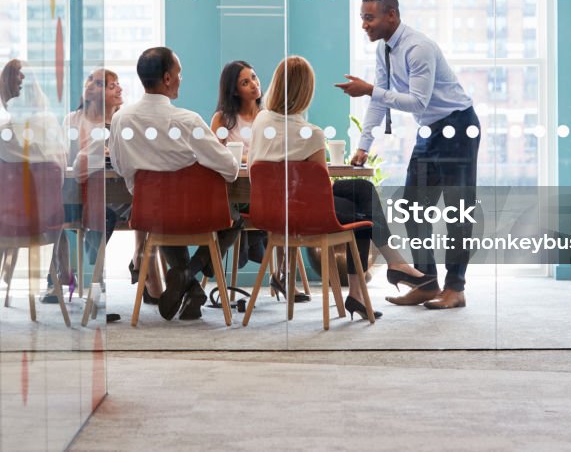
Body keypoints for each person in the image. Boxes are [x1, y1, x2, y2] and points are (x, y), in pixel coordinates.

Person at [336, 0, 480, 310]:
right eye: (362, 18)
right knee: (413, 207)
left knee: (457, 211)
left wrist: (370, 90)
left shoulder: (419, 48)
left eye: (369, 18)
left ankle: (455, 288)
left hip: (457, 126)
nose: (364, 25)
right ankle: (426, 282)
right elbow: (378, 99)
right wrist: (363, 145)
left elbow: (417, 101)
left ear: (392, 15)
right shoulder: (384, 51)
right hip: (429, 129)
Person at [108, 47, 239, 321]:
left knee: (163, 217)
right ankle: (189, 275)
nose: (181, 79)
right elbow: (230, 168)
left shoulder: (121, 119)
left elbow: (120, 168)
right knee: (236, 216)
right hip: (194, 215)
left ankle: (189, 286)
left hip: (151, 215)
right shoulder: (187, 121)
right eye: (179, 74)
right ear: (167, 78)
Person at [249, 55, 384, 322]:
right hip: (306, 214)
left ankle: (387, 268)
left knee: (361, 189)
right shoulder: (311, 134)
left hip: (270, 210)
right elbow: (321, 185)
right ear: (306, 91)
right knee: (363, 216)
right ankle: (360, 291)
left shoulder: (261, 121)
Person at [71, 68, 163, 305]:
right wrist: (99, 152)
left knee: (151, 206)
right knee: (144, 207)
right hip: (93, 196)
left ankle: (142, 262)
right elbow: (71, 164)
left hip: (125, 194)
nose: (120, 89)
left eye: (118, 84)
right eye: (112, 86)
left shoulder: (126, 124)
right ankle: (144, 268)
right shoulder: (76, 121)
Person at [0, 60, 69, 302]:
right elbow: (61, 175)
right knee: (58, 209)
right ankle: (60, 280)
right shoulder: (51, 126)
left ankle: (7, 279)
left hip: (7, 220)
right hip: (47, 220)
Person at [210, 60, 266, 269]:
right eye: (245, 82)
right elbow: (214, 155)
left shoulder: (268, 117)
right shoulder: (223, 119)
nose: (254, 84)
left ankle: (281, 273)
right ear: (234, 91)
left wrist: (243, 157)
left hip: (262, 189)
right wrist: (250, 158)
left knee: (279, 208)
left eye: (254, 76)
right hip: (232, 190)